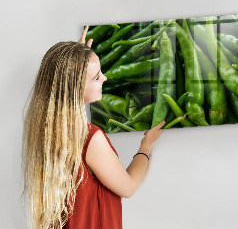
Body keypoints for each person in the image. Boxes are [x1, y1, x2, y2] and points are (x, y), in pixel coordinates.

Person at [22, 26, 165, 229]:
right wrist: (146, 145)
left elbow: (62, 83)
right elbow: (128, 186)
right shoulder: (90, 139)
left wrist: (75, 60)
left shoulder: (43, 131)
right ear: (75, 87)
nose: (104, 79)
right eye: (97, 77)